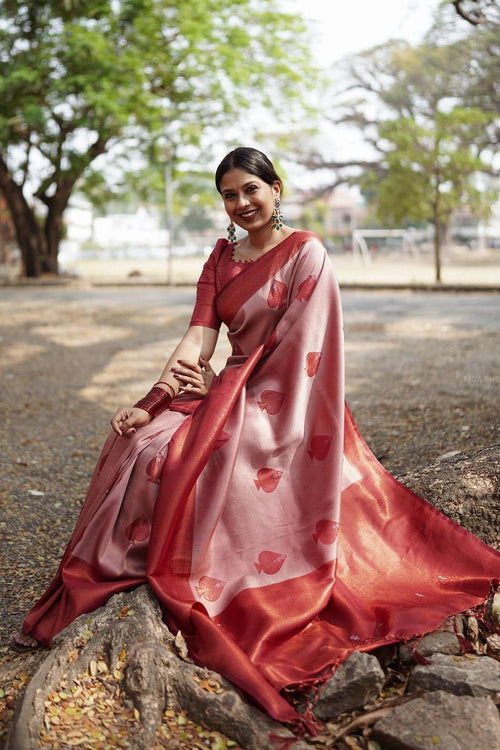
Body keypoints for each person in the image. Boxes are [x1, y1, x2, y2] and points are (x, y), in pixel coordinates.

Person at [11, 147, 500, 730]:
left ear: (276, 189)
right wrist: (152, 401)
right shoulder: (221, 257)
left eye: (251, 190)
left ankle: (201, 571)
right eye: (229, 194)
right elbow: (197, 336)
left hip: (288, 406)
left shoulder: (307, 254)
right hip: (227, 392)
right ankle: (134, 563)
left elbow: (303, 356)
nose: (241, 203)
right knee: (142, 446)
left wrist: (222, 386)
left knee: (193, 458)